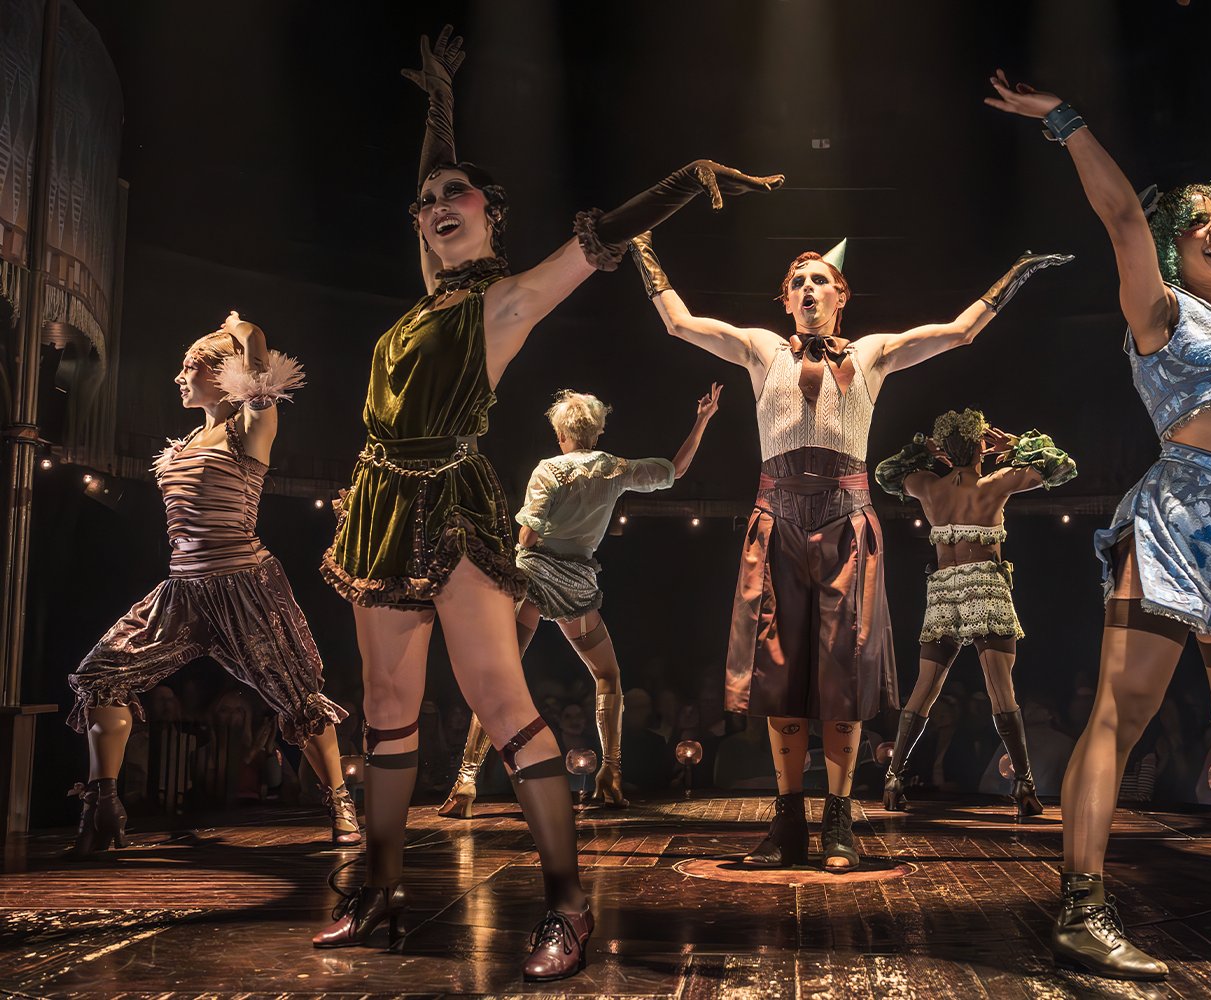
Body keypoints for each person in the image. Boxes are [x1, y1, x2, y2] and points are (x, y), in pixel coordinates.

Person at [312, 27, 780, 981]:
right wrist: (439, 102)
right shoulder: (427, 300)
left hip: (447, 501)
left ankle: (567, 906)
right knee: (387, 708)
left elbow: (598, 239)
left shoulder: (504, 301)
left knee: (500, 699)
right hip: (376, 505)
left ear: (494, 215)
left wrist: (687, 178)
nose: (439, 204)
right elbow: (434, 181)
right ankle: (378, 889)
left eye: (459, 196)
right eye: (430, 198)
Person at [986, 70, 1211, 979]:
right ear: (1175, 244)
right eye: (1197, 223)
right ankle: (1081, 904)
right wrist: (1064, 123)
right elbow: (1118, 218)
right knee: (1126, 709)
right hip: (1180, 518)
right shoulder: (1160, 312)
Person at [630, 227, 1069, 871]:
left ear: (841, 295)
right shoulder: (760, 349)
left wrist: (1018, 271)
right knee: (777, 670)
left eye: (819, 280)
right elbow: (678, 323)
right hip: (776, 516)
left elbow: (959, 331)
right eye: (797, 282)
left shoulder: (872, 353)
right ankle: (786, 823)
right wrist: (642, 249)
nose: (809, 289)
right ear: (785, 300)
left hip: (845, 522)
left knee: (844, 668)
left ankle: (838, 821)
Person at [67, 312, 359, 855]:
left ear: (221, 374)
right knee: (100, 675)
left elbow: (261, 377)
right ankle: (103, 804)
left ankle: (340, 803)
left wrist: (245, 333)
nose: (179, 377)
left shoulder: (249, 432)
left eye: (189, 367)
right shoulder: (181, 445)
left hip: (243, 584)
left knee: (297, 695)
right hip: (183, 589)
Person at [437, 384, 721, 816]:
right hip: (577, 584)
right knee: (607, 675)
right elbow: (675, 470)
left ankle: (466, 781)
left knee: (500, 677)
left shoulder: (549, 470)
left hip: (533, 577)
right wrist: (702, 419)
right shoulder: (613, 468)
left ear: (561, 433)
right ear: (597, 431)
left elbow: (528, 536)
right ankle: (611, 773)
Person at [874, 408, 1077, 815]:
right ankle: (1023, 785)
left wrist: (924, 451)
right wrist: (1017, 445)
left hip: (943, 589)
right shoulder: (995, 483)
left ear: (946, 452)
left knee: (926, 685)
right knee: (1000, 686)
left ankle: (894, 777)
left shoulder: (927, 486)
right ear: (982, 444)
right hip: (984, 585)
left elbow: (886, 473)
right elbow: (1061, 465)